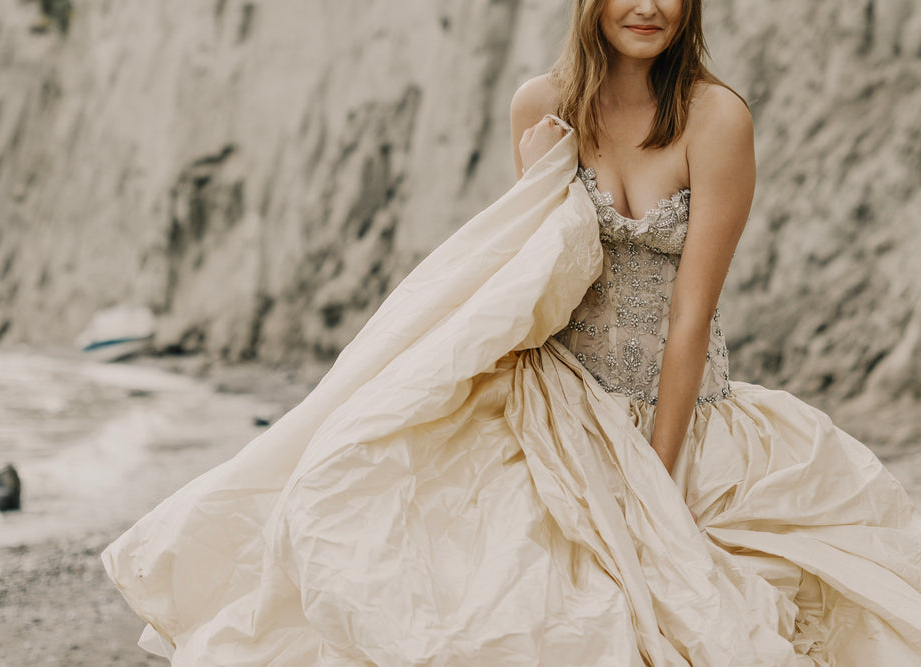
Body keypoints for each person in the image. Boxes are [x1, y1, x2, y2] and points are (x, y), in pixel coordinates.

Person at [103, 1, 921, 664]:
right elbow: (531, 279)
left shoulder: (716, 117)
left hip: (674, 411)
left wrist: (656, 491)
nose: (649, 6)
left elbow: (691, 317)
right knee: (391, 527)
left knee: (678, 605)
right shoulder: (542, 104)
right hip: (554, 397)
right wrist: (542, 180)